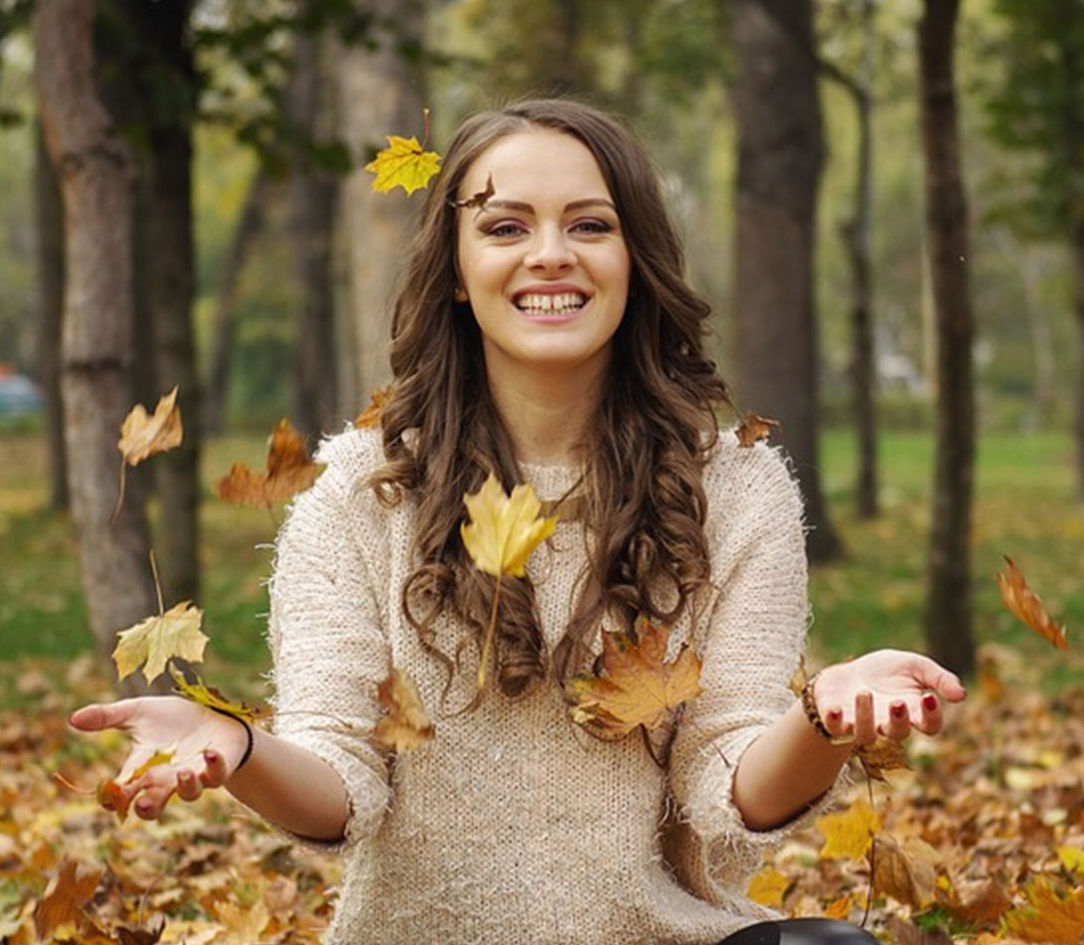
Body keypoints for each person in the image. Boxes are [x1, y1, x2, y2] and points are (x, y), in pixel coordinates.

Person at [69, 97, 967, 945]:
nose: (549, 255)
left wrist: (822, 718)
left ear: (634, 259)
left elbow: (726, 780)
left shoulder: (734, 486)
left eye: (589, 224)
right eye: (504, 227)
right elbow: (339, 782)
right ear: (457, 274)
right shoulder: (359, 492)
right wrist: (240, 745)